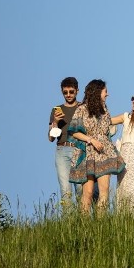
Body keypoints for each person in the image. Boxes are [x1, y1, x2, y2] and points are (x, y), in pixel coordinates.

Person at [68, 79, 126, 214]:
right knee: (87, 193)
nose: (108, 94)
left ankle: (101, 224)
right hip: (87, 152)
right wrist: (91, 140)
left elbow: (106, 130)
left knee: (104, 191)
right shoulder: (81, 109)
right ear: (98, 91)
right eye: (105, 91)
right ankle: (85, 227)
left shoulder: (105, 109)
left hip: (104, 152)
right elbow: (74, 132)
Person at [48, 77, 82, 207]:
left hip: (79, 148)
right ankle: (68, 222)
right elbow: (50, 138)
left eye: (71, 92)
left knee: (80, 188)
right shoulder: (57, 109)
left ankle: (84, 221)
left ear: (77, 91)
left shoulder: (83, 107)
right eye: (65, 92)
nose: (68, 95)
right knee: (65, 189)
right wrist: (55, 122)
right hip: (62, 150)